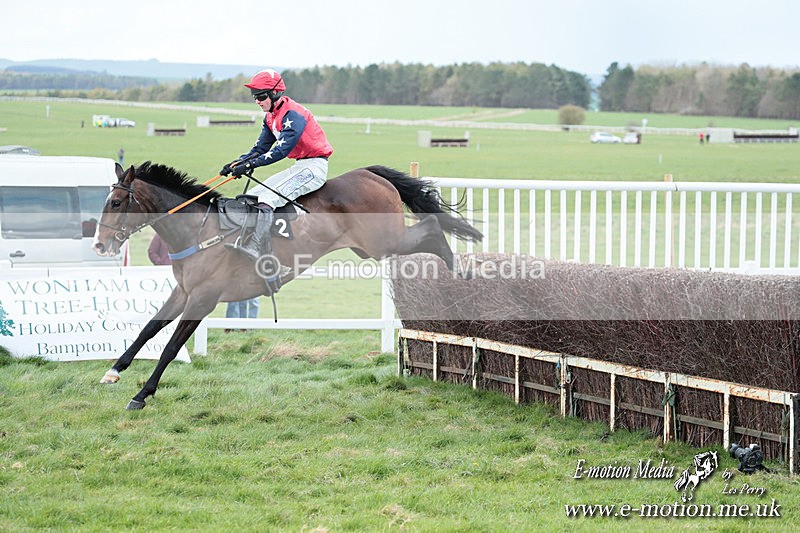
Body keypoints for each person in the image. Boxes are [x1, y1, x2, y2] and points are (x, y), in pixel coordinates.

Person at [219, 68, 333, 292]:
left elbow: (280, 151)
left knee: (268, 198)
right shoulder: (270, 116)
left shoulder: (294, 114)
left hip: (314, 167)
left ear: (274, 94)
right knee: (252, 196)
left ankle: (256, 250)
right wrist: (235, 163)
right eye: (254, 97)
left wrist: (249, 165)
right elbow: (260, 148)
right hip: (300, 165)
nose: (257, 101)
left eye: (261, 96)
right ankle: (255, 248)